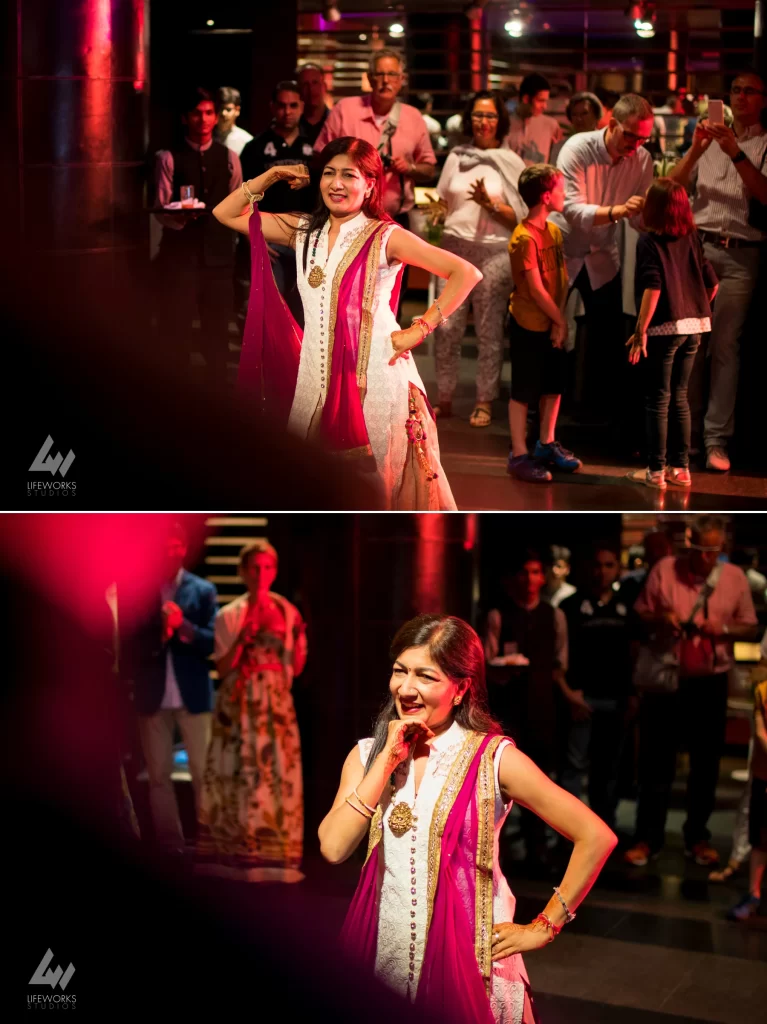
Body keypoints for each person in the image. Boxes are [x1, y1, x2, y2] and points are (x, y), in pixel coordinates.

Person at [319, 614, 617, 1021]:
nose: (406, 689)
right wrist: (385, 762)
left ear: (460, 689)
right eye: (399, 671)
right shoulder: (368, 754)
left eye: (425, 676)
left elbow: (595, 836)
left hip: (470, 965)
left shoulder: (492, 759)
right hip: (384, 959)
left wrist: (544, 926)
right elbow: (334, 847)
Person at [213, 137, 482, 509]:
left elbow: (465, 273)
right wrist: (270, 176)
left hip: (375, 382)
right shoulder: (304, 230)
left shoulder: (386, 236)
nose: (336, 184)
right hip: (314, 377)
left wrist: (421, 328)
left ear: (371, 183)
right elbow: (225, 214)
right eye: (328, 173)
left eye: (348, 175)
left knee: (375, 492)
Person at [625, 516, 759, 868]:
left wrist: (723, 627)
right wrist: (662, 616)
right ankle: (647, 837)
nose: (704, 558)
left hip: (710, 678)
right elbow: (639, 613)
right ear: (688, 543)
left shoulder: (734, 578)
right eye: (698, 550)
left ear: (723, 548)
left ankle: (697, 837)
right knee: (656, 762)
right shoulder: (665, 570)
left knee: (706, 763)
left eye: (712, 551)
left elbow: (751, 626)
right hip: (667, 677)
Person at [668, 69, 767, 472]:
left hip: (742, 252)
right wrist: (695, 150)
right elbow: (669, 188)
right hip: (699, 249)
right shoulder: (708, 141)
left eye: (749, 91)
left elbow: (764, 193)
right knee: (693, 345)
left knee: (726, 347)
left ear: (763, 99)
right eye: (735, 90)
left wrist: (736, 154)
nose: (740, 97)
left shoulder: (763, 143)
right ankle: (686, 440)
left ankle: (715, 441)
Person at [196, 540, 307, 882]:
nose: (261, 575)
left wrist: (300, 642)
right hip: (239, 699)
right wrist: (244, 636)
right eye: (255, 568)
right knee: (238, 770)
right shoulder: (228, 613)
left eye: (267, 568)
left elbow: (296, 666)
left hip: (274, 702)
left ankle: (274, 850)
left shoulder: (287, 610)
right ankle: (235, 847)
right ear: (243, 571)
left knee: (276, 771)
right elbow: (224, 667)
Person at [551, 93, 654, 430]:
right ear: (611, 125)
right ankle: (543, 419)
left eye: (643, 139)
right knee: (549, 334)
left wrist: (650, 218)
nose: (636, 145)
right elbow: (570, 208)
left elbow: (639, 219)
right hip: (563, 249)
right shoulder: (578, 147)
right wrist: (617, 212)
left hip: (600, 256)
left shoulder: (642, 159)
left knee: (605, 336)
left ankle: (596, 416)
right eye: (630, 136)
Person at [428, 91, 526, 426]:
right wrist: (438, 213)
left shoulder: (511, 161)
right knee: (446, 326)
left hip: (494, 252)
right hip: (454, 248)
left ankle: (484, 400)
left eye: (490, 116)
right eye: (478, 115)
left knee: (488, 330)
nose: (483, 122)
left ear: (501, 121)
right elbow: (444, 198)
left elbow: (522, 218)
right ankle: (444, 397)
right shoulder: (457, 154)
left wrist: (491, 204)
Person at [485, 551, 585, 874]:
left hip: (543, 708)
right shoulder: (499, 614)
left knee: (540, 781)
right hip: (508, 711)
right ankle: (500, 850)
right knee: (500, 783)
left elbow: (561, 663)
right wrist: (501, 670)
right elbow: (490, 662)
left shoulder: (554, 616)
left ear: (544, 578)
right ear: (515, 578)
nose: (530, 579)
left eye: (536, 572)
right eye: (525, 572)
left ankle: (538, 848)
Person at [125, 523, 218, 857]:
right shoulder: (140, 589)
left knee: (202, 774)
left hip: (193, 694)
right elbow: (130, 644)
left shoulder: (203, 589)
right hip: (152, 695)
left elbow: (214, 641)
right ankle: (170, 845)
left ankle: (209, 841)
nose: (170, 551)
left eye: (177, 545)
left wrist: (184, 627)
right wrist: (161, 634)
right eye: (165, 545)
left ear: (184, 548)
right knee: (158, 775)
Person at [625, 177, 719, 490]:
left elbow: (653, 287)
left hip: (665, 326)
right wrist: (693, 304)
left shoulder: (649, 241)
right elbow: (712, 282)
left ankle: (655, 472)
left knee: (658, 399)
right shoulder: (691, 236)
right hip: (695, 326)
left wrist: (640, 331)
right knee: (681, 397)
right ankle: (681, 470)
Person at [153, 86, 242, 384]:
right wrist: (180, 217)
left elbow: (238, 204)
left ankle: (218, 402)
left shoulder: (229, 157)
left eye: (208, 113)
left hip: (218, 258)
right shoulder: (168, 157)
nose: (202, 120)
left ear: (216, 117)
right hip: (180, 256)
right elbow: (160, 207)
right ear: (184, 118)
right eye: (196, 113)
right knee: (176, 330)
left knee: (216, 334)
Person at [507, 164, 581, 483]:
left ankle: (546, 443)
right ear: (547, 196)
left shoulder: (552, 231)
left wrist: (558, 321)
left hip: (551, 322)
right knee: (524, 391)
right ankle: (519, 453)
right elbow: (535, 288)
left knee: (553, 385)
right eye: (562, 189)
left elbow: (560, 279)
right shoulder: (523, 238)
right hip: (528, 323)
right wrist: (559, 319)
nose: (566, 195)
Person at [559, 543, 635, 831]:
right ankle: (569, 832)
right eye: (597, 565)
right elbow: (559, 655)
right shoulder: (570, 606)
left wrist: (632, 695)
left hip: (616, 700)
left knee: (608, 770)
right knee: (573, 770)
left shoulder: (625, 608)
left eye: (609, 565)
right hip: (581, 698)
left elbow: (633, 654)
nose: (602, 572)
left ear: (617, 569)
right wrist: (569, 693)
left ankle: (602, 832)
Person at [314, 50, 437, 223]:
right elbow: (319, 158)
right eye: (380, 74)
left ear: (402, 80)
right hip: (346, 217)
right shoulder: (345, 110)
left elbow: (429, 170)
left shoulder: (413, 117)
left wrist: (410, 168)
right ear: (370, 78)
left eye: (392, 74)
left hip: (397, 219)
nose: (385, 80)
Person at [238, 81, 315, 325]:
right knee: (270, 313)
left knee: (308, 313)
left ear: (302, 107)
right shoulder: (254, 148)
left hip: (309, 240)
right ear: (272, 107)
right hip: (270, 239)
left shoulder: (317, 145)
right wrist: (252, 235)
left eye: (293, 105)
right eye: (281, 105)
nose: (287, 111)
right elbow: (243, 198)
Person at [727, 630, 767, 919]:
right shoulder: (762, 690)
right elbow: (760, 729)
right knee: (760, 837)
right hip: (764, 775)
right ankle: (754, 892)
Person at [504, 72, 562, 166]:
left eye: (546, 101)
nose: (545, 106)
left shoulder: (551, 126)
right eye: (540, 101)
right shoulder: (505, 124)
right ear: (526, 99)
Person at [549, 91, 604, 165]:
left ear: (596, 116)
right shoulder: (562, 147)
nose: (579, 119)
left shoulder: (606, 146)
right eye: (574, 114)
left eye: (584, 113)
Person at [297, 62, 330, 146]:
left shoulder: (335, 122)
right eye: (305, 84)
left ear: (324, 87)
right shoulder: (292, 126)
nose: (311, 89)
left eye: (315, 83)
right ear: (299, 91)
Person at [214, 86, 254, 156]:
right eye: (220, 108)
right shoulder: (205, 137)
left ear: (237, 110)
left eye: (228, 109)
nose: (223, 113)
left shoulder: (246, 141)